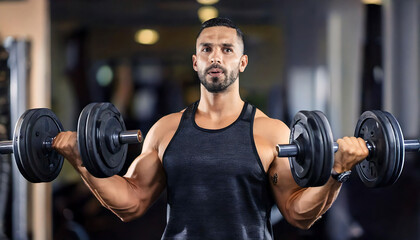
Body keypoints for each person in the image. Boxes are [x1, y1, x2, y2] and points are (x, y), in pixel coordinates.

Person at [53, 17, 369, 239]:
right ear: (195, 62)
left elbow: (297, 213)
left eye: (226, 49)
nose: (215, 56)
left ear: (242, 62)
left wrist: (336, 173)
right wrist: (81, 162)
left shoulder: (271, 133)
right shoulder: (166, 130)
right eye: (207, 49)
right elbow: (131, 203)